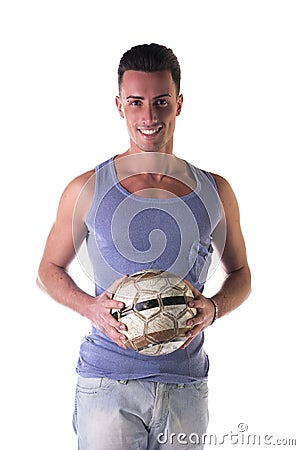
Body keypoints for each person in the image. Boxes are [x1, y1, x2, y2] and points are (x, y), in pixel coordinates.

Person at [37, 43, 251, 450]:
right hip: (107, 381)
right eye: (136, 103)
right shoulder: (86, 188)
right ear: (119, 106)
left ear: (179, 104)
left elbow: (241, 274)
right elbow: (48, 269)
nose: (148, 117)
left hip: (185, 385)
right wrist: (91, 308)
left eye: (161, 102)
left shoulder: (214, 191)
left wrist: (215, 308)